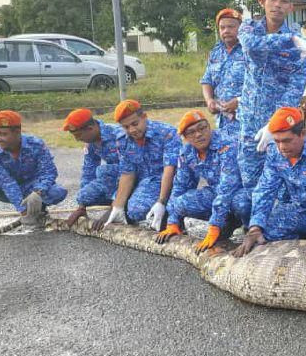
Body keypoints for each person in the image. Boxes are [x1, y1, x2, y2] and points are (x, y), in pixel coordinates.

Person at [233, 107, 306, 256]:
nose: (282, 147)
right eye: (277, 141)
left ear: (303, 134)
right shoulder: (275, 153)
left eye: (287, 141)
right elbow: (265, 189)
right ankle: (305, 240)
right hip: (299, 210)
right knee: (263, 234)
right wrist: (255, 226)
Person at [236, 0, 306, 189]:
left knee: (280, 182)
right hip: (249, 121)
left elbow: (295, 88)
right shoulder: (249, 28)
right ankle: (252, 222)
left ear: (290, 7)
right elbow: (251, 47)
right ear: (262, 1)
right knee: (249, 180)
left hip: (279, 126)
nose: (277, 4)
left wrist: (274, 124)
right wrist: (288, 40)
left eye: (284, 1)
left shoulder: (300, 43)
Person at [154, 111, 248, 252]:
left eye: (202, 128)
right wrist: (172, 222)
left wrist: (214, 226)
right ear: (185, 137)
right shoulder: (187, 153)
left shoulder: (227, 145)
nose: (198, 134)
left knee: (240, 203)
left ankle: (249, 228)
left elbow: (227, 188)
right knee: (180, 203)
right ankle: (228, 221)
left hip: (240, 192)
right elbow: (180, 186)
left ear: (209, 127)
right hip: (216, 193)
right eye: (191, 132)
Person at [0, 110, 67, 239]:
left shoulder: (36, 144)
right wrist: (22, 210)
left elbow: (48, 171)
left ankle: (38, 211)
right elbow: (6, 182)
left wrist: (38, 192)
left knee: (58, 191)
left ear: (17, 132)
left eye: (3, 134)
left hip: (31, 189)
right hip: (5, 190)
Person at [96, 99, 181, 231]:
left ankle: (172, 217)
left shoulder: (167, 133)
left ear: (144, 117)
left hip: (173, 180)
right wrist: (117, 207)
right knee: (135, 211)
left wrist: (161, 202)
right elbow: (127, 174)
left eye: (135, 124)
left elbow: (170, 169)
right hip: (147, 181)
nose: (132, 130)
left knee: (142, 208)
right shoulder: (123, 140)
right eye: (126, 127)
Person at [61, 108, 123, 227]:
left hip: (135, 176)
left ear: (90, 128)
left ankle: (122, 203)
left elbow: (132, 169)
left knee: (104, 171)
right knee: (82, 196)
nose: (77, 139)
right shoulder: (91, 143)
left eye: (79, 135)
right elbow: (88, 171)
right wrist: (82, 206)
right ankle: (119, 200)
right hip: (115, 180)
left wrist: (114, 208)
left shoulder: (118, 135)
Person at [201, 8, 246, 138]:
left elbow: (261, 84)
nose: (226, 31)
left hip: (246, 121)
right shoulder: (216, 52)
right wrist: (209, 101)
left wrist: (239, 101)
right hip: (223, 122)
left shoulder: (250, 50)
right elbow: (207, 80)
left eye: (231, 27)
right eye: (222, 27)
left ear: (240, 28)